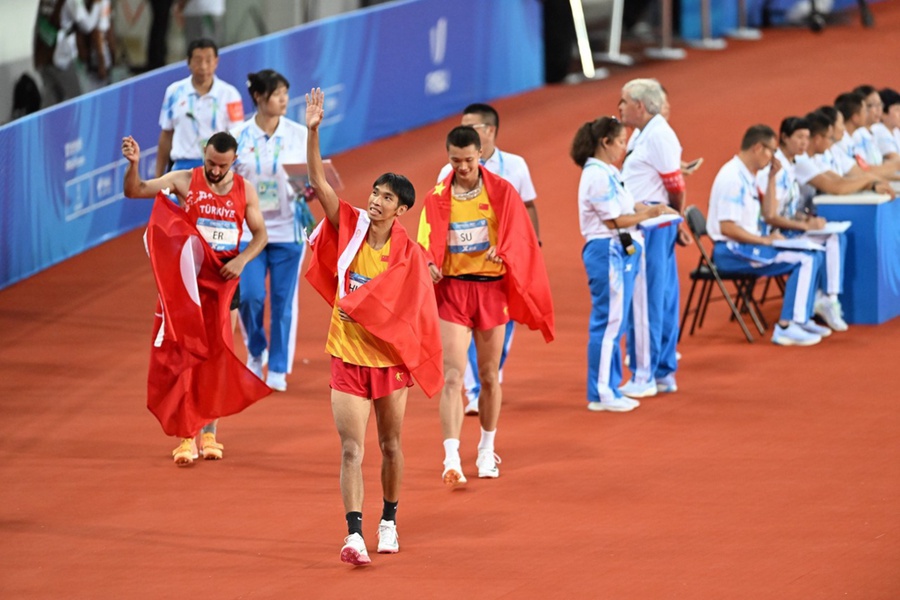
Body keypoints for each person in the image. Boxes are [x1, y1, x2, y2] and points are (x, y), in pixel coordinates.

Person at [303, 88, 443, 565]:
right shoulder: (351, 226)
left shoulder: (407, 254)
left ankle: (389, 520)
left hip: (387, 362)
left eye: (387, 198)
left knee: (390, 444)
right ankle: (354, 534)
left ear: (402, 209)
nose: (377, 202)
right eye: (375, 194)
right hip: (346, 356)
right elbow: (320, 185)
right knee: (350, 449)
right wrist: (313, 130)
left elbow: (414, 308)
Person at [419, 125, 554, 488]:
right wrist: (430, 263)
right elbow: (424, 243)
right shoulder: (436, 195)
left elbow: (520, 236)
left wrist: (504, 250)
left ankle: (486, 447)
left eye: (468, 160)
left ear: (481, 155)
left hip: (491, 291)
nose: (461, 167)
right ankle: (450, 457)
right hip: (453, 291)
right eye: (454, 160)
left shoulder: (501, 192)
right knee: (452, 375)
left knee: (490, 376)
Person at [122, 131, 268, 464]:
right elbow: (135, 190)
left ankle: (210, 433)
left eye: (222, 165)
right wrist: (133, 165)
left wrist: (243, 259)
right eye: (210, 163)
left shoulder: (246, 191)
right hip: (188, 286)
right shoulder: (185, 179)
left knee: (217, 358)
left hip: (225, 286)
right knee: (184, 356)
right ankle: (187, 436)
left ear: (234, 160)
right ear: (204, 153)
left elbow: (260, 234)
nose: (215, 171)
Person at [436, 103, 541, 417]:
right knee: (463, 328)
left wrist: (532, 245)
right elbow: (439, 216)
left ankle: (490, 373)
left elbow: (529, 207)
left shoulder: (515, 165)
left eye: (474, 126)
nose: (466, 130)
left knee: (504, 324)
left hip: (504, 262)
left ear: (490, 131)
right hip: (463, 268)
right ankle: (475, 388)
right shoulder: (447, 172)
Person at [572, 116, 676, 412]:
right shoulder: (596, 175)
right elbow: (614, 220)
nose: (622, 147)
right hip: (608, 250)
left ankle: (610, 387)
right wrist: (651, 212)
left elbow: (626, 208)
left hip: (617, 250)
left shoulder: (608, 171)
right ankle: (602, 392)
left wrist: (653, 207)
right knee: (608, 324)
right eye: (619, 141)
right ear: (604, 142)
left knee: (614, 324)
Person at [707, 124, 827, 346]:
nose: (773, 156)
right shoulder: (732, 178)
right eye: (771, 150)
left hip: (749, 244)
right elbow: (727, 228)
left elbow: (768, 213)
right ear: (757, 148)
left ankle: (802, 318)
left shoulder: (748, 175)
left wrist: (772, 178)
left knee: (815, 252)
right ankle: (786, 326)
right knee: (805, 258)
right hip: (732, 251)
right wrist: (765, 240)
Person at [231, 69, 310, 392]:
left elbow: (307, 176)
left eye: (286, 95)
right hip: (250, 233)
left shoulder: (298, 134)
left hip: (288, 230)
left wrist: (310, 190)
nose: (284, 101)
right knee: (250, 296)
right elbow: (225, 180)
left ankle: (277, 366)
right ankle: (255, 349)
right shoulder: (236, 136)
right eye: (278, 95)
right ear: (259, 98)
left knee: (282, 300)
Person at [618, 78, 685, 399]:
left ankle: (644, 373)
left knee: (645, 301)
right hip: (653, 225)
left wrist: (675, 215)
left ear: (640, 106)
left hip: (650, 229)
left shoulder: (657, 135)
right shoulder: (643, 133)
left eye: (624, 101)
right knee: (661, 297)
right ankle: (661, 371)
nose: (619, 107)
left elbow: (676, 186)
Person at [757, 116, 848, 331]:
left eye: (806, 137)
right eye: (799, 137)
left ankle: (829, 299)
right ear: (784, 138)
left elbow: (788, 209)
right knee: (811, 254)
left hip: (789, 228)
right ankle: (793, 323)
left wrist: (806, 219)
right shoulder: (776, 169)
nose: (804, 143)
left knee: (835, 236)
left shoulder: (790, 166)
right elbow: (770, 215)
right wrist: (804, 226)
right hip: (775, 234)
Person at [156, 38, 244, 177]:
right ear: (188, 62)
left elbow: (237, 138)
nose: (203, 66)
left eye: (208, 60)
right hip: (183, 169)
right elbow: (166, 135)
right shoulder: (174, 92)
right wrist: (158, 177)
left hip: (217, 170)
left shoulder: (230, 94)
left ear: (216, 61)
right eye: (197, 60)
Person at [33, 0, 102, 107]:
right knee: (80, 100)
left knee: (51, 101)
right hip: (60, 57)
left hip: (43, 55)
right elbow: (87, 26)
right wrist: (97, 5)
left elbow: (38, 24)